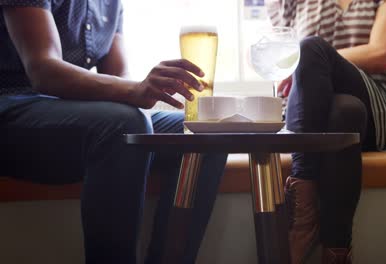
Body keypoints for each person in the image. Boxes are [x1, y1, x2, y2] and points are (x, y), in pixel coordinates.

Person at [0, 1, 227, 263]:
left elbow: (118, 80)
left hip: (71, 118)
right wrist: (136, 90)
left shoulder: (110, 4)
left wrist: (148, 89)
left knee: (206, 134)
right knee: (124, 125)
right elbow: (42, 69)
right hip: (12, 111)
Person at [266, 0, 386, 263]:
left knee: (310, 47)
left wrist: (316, 59)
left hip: (375, 114)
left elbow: (381, 53)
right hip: (315, 120)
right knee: (344, 112)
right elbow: (279, 62)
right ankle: (337, 253)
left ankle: (303, 219)